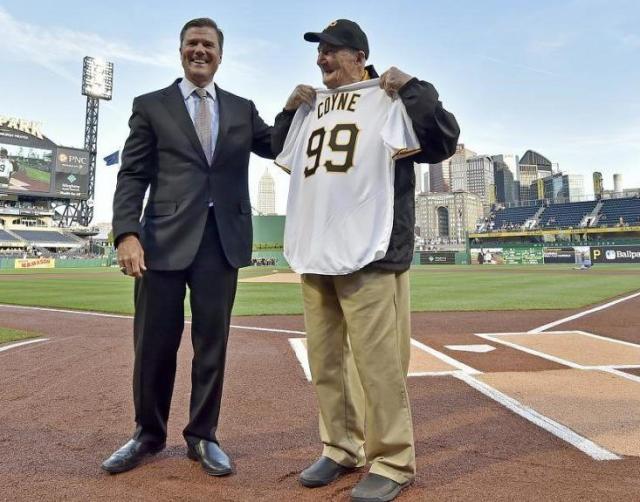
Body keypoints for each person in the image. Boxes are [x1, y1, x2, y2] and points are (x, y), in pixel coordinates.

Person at [272, 19, 459, 502]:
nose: (321, 59)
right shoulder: (312, 107)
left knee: (379, 364)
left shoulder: (391, 98)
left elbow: (442, 140)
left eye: (331, 51)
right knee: (327, 362)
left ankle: (393, 460)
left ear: (358, 56)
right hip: (317, 249)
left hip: (371, 250)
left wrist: (411, 88)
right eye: (319, 52)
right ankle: (340, 448)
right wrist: (288, 110)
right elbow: (280, 151)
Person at [104, 18, 273, 476]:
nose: (201, 51)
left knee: (211, 345)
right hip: (160, 240)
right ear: (181, 51)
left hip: (222, 241)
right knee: (154, 344)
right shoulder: (151, 106)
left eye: (209, 45)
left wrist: (302, 106)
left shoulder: (242, 108)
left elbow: (278, 144)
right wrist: (126, 233)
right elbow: (133, 174)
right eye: (192, 44)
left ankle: (203, 436)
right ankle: (147, 435)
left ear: (221, 54)